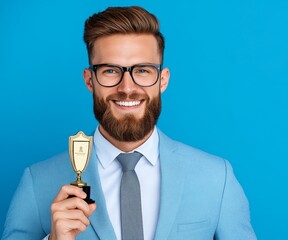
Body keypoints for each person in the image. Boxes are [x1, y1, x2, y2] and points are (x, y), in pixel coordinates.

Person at [1, 6, 256, 240]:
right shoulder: (37, 182)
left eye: (143, 70)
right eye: (110, 71)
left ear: (163, 80)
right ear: (90, 81)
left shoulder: (216, 178)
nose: (127, 88)